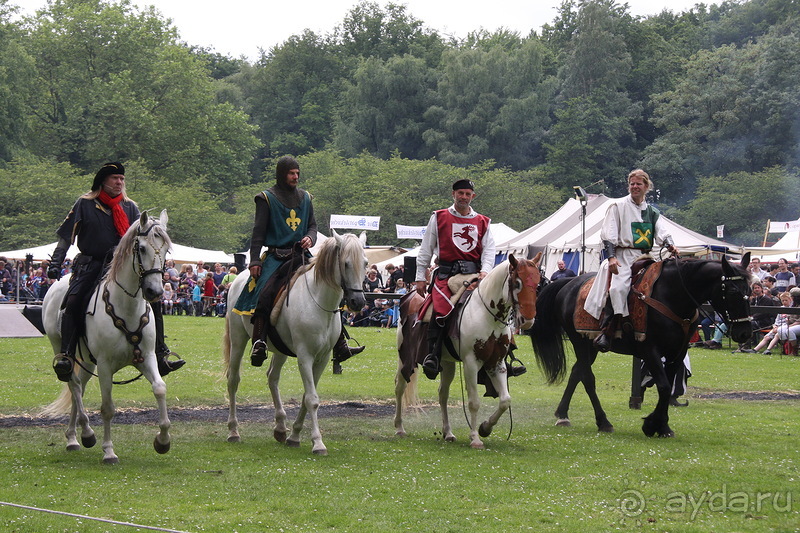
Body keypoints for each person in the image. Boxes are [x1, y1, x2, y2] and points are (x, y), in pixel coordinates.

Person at [48, 162, 185, 381]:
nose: (119, 182)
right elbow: (66, 236)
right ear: (103, 181)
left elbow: (145, 235)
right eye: (115, 178)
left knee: (155, 302)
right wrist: (55, 262)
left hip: (122, 267)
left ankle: (161, 353)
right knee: (73, 300)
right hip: (91, 264)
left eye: (122, 179)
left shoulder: (130, 207)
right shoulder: (85, 203)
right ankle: (66, 355)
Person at [233, 155, 364, 367]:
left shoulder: (305, 198)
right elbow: (258, 232)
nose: (296, 177)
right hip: (276, 257)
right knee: (265, 292)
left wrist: (310, 237)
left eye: (297, 173)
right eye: (292, 173)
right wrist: (255, 260)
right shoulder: (266, 198)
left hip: (301, 256)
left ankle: (340, 343)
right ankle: (258, 341)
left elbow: (312, 225)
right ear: (282, 174)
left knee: (331, 289)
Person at [585, 169, 677, 352]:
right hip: (622, 258)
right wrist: (611, 258)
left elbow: (662, 231)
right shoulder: (617, 207)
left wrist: (670, 245)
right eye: (632, 183)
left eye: (639, 184)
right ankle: (610, 329)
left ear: (646, 186)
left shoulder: (651, 211)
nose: (635, 187)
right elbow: (609, 233)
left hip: (645, 257)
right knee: (617, 288)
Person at [415, 178, 496, 379]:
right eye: (460, 193)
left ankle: (505, 354)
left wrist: (485, 272)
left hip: (475, 275)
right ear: (453, 194)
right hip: (445, 275)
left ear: (473, 197)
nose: (464, 197)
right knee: (440, 309)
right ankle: (433, 354)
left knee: (497, 307)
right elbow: (426, 249)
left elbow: (489, 251)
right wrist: (419, 276)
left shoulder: (483, 221)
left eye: (468, 194)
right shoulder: (439, 217)